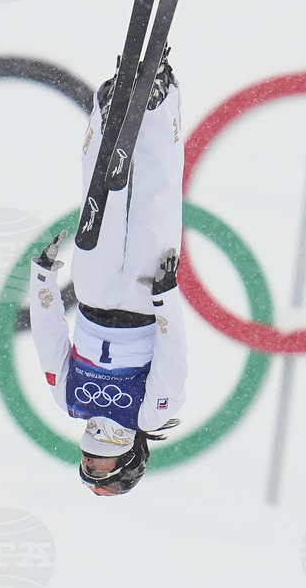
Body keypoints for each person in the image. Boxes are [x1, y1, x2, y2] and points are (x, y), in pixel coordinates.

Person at [29, 49, 188, 496]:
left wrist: (42, 280)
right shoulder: (151, 413)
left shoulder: (70, 403)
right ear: (130, 459)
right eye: (103, 471)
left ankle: (111, 109)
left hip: (94, 297)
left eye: (88, 470)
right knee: (155, 202)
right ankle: (158, 99)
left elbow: (48, 342)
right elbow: (173, 354)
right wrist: (165, 297)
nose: (92, 465)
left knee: (102, 196)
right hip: (142, 302)